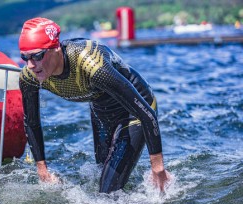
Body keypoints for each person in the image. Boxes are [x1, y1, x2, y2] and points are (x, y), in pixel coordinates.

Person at [18, 17, 171, 193]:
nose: (30, 65)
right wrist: (42, 169)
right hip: (101, 110)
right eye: (25, 57)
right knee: (100, 175)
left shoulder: (91, 65)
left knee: (106, 194)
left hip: (135, 110)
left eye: (37, 56)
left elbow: (147, 113)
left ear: (55, 48)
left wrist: (158, 168)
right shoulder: (29, 77)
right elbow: (31, 122)